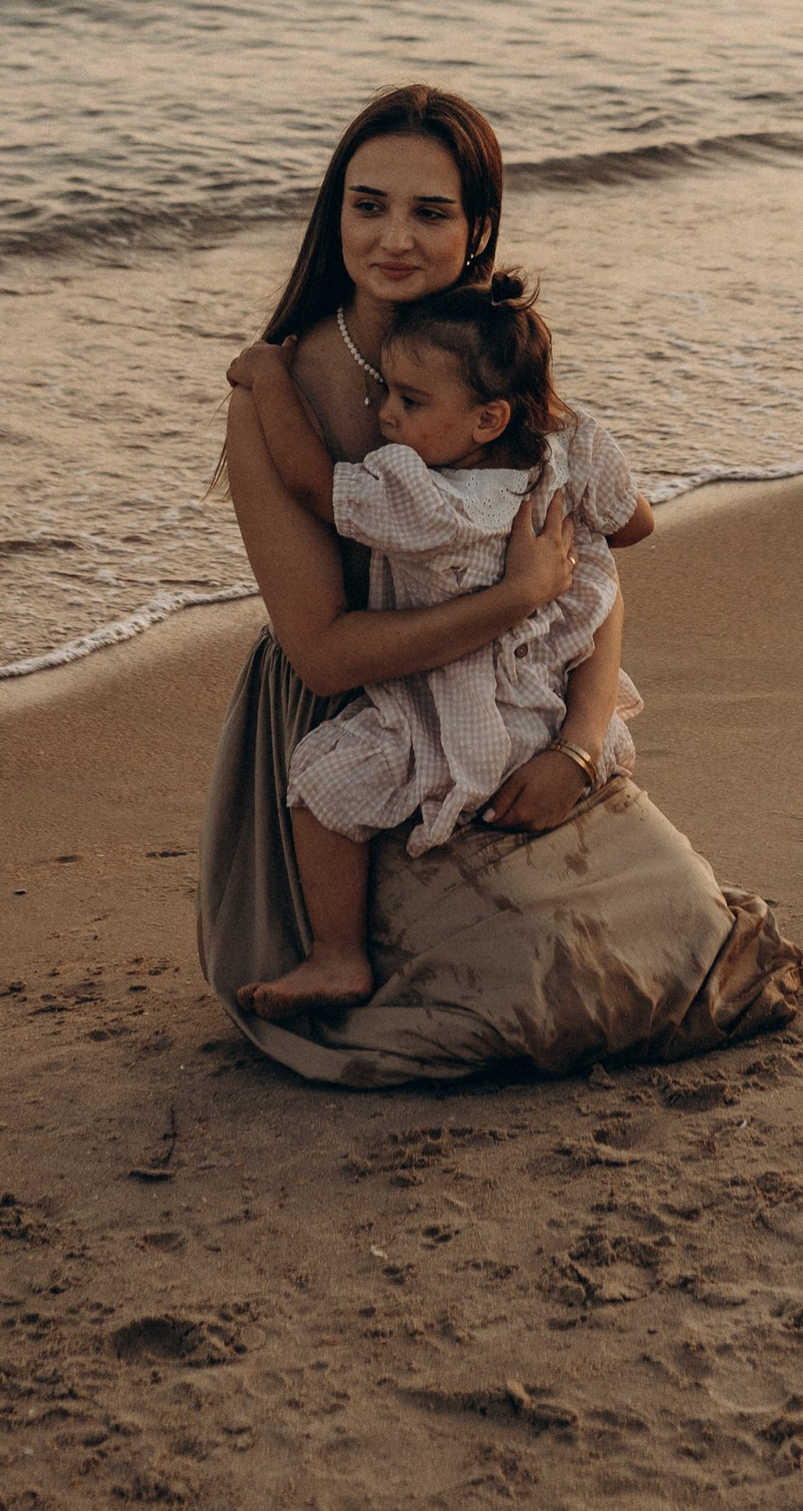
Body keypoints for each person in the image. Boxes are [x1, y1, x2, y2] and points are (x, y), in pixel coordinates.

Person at [196, 82, 803, 1083]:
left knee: (694, 945)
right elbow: (324, 652)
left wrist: (575, 744)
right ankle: (341, 945)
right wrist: (511, 599)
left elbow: (589, 574)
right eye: (368, 204)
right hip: (361, 720)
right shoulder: (281, 392)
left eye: (429, 212)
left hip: (521, 702)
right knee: (534, 991)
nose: (394, 237)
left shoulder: (488, 365)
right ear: (333, 214)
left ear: (477, 230)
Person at [225, 270, 648, 1013]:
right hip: (547, 702)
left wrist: (266, 376)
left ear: (485, 422)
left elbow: (312, 485)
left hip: (448, 707)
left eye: (409, 401)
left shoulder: (425, 498)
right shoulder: (571, 442)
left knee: (323, 780)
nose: (387, 414)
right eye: (387, 390)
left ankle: (336, 954)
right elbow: (636, 523)